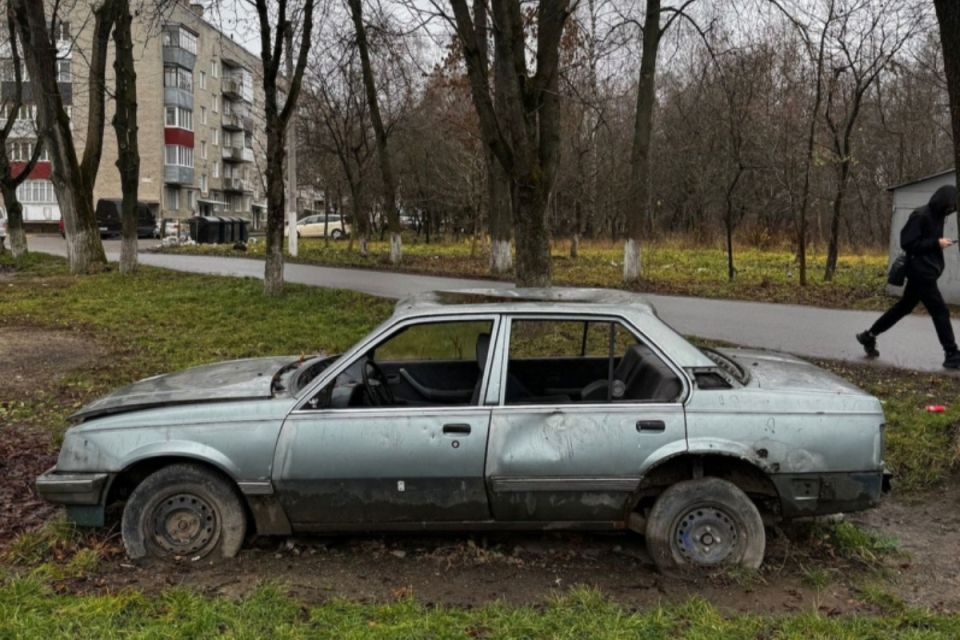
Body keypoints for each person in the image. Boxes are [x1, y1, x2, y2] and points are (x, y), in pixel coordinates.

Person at [857, 184, 960, 369]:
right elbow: (908, 243)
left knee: (903, 307)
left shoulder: (937, 216)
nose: (952, 208)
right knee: (940, 311)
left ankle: (868, 335)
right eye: (951, 204)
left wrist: (939, 243)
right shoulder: (921, 215)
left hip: (925, 271)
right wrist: (936, 243)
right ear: (943, 201)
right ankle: (951, 354)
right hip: (920, 273)